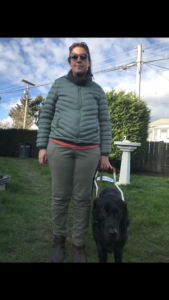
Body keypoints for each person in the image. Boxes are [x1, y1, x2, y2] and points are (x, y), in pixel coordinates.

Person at [36, 42, 112, 263]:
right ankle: (58, 241)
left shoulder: (97, 91)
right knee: (60, 197)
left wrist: (104, 153)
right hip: (59, 147)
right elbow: (47, 115)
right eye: (74, 56)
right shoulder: (59, 85)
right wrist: (42, 146)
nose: (78, 60)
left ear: (89, 62)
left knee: (82, 199)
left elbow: (104, 123)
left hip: (89, 152)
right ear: (69, 61)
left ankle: (78, 246)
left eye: (83, 56)